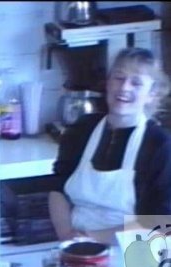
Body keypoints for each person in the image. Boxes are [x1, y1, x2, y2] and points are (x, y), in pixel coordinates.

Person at [48, 47, 171, 244]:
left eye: (136, 83)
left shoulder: (159, 144)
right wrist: (67, 237)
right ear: (108, 83)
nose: (124, 88)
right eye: (119, 78)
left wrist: (92, 238)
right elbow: (57, 188)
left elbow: (163, 221)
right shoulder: (82, 129)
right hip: (79, 247)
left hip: (141, 255)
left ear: (152, 95)